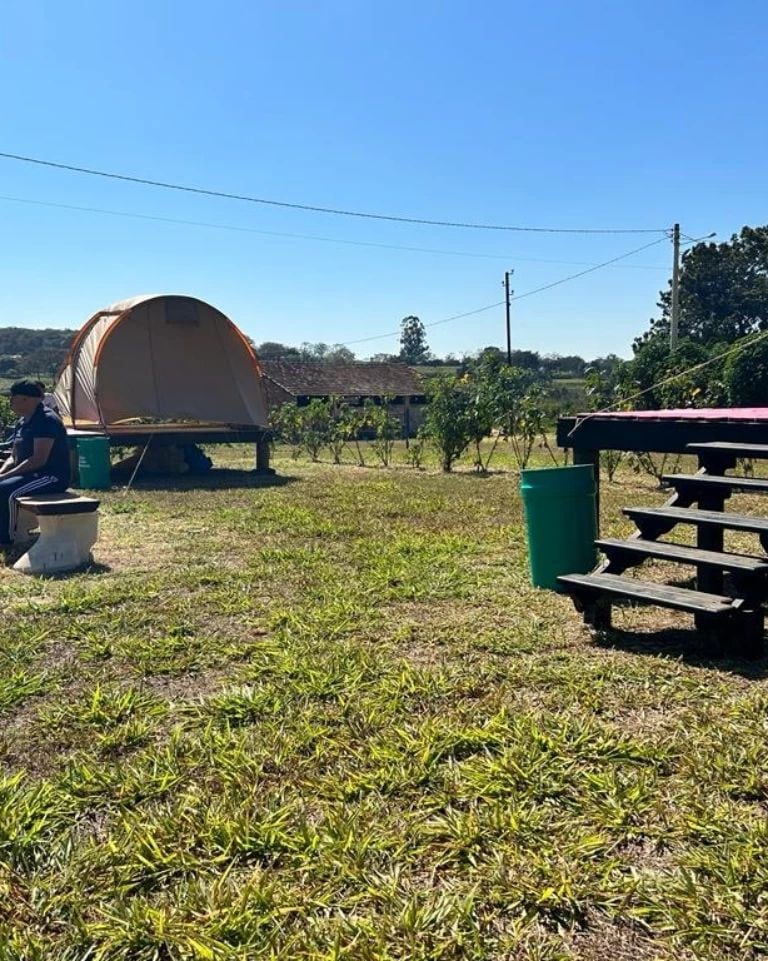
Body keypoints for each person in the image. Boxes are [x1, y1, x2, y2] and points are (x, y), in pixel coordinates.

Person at [0, 380, 71, 546]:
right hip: (29, 474)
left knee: (4, 491)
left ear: (28, 399)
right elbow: (14, 456)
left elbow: (39, 460)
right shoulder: (22, 422)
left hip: (50, 476)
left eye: (14, 398)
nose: (10, 402)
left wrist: (6, 477)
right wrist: (2, 473)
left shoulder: (46, 420)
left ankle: (7, 539)